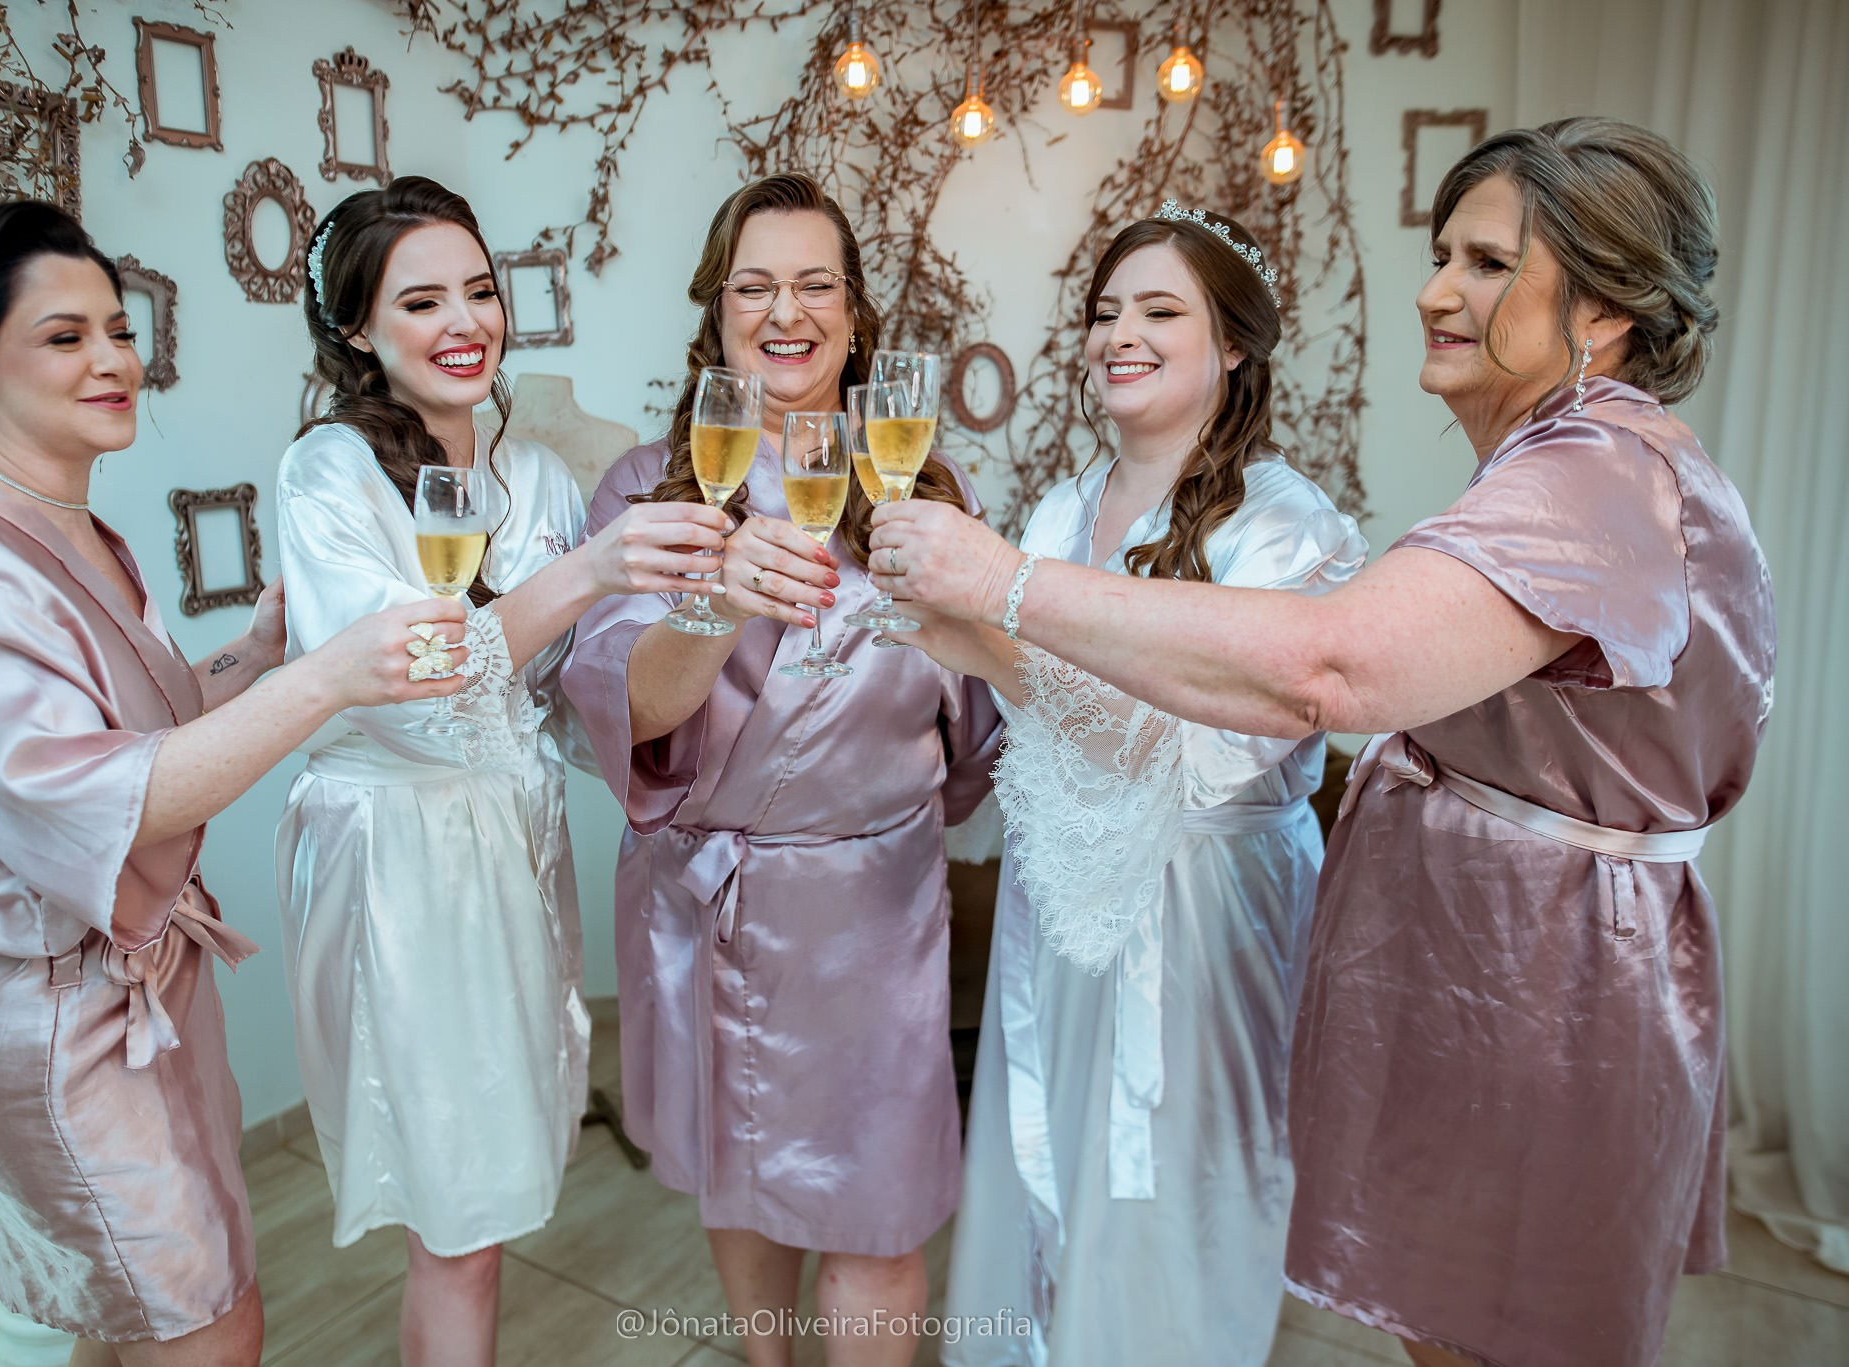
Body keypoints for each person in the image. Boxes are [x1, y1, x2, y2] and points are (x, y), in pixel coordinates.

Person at [870, 118, 1773, 1367]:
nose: (1434, 288)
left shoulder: (1592, 477)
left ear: (1605, 305)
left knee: (1492, 1326)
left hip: (1540, 982)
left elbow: (1323, 667)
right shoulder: (1556, 463)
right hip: (1481, 971)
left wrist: (1003, 583)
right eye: (1442, 253)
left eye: (1486, 262)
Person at [0, 201, 469, 1367]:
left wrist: (260, 651)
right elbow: (107, 798)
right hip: (48, 1021)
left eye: (118, 328)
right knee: (202, 1326)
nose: (113, 359)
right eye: (63, 336)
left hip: (131, 995)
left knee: (104, 1317)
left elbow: (126, 729)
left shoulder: (64, 526)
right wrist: (332, 679)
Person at [272, 176, 730, 1367]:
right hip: (399, 861)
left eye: (479, 289)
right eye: (420, 300)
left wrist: (691, 659)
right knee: (460, 1223)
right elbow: (410, 677)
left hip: (509, 851)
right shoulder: (328, 474)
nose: (464, 319)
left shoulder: (536, 479)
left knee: (496, 1195)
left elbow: (572, 702)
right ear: (358, 331)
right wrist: (588, 575)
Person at [909, 207, 1365, 1366]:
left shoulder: (1286, 529)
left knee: (1175, 1184)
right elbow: (1045, 719)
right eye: (1106, 310)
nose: (1120, 332)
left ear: (1233, 348)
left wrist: (980, 642)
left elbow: (1192, 749)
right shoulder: (1065, 506)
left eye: (1159, 311)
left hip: (1206, 909)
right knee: (1045, 1149)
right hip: (1062, 890)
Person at [560, 172, 1002, 1367]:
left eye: (815, 283)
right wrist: (712, 600)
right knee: (737, 1179)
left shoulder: (922, 484)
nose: (784, 310)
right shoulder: (650, 490)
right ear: (715, 314)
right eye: (753, 285)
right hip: (709, 905)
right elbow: (633, 716)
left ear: (856, 316)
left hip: (874, 909)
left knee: (878, 1215)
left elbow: (977, 724)